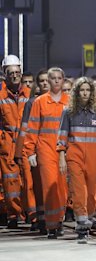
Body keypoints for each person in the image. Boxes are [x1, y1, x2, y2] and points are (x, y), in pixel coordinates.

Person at [57, 77, 96, 243]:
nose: (85, 93)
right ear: (77, 92)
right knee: (79, 190)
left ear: (92, 93)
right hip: (74, 157)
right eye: (82, 90)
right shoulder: (68, 112)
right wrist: (62, 158)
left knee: (92, 192)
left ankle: (88, 217)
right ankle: (81, 223)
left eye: (88, 90)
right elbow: (62, 137)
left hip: (93, 158)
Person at [24, 67, 70, 239]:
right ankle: (52, 224)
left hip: (65, 151)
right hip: (45, 150)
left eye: (59, 78)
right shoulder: (40, 102)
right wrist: (30, 152)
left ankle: (59, 219)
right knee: (50, 186)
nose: (56, 81)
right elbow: (33, 128)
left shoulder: (69, 102)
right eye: (53, 78)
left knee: (63, 187)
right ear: (48, 81)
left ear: (63, 80)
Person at [15, 69, 49, 232]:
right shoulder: (31, 103)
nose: (44, 83)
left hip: (52, 149)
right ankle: (37, 217)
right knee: (33, 183)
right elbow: (25, 129)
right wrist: (21, 152)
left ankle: (53, 217)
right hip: (35, 148)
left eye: (46, 80)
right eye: (41, 80)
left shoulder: (60, 101)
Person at [0, 55, 30, 229]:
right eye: (11, 73)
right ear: (5, 74)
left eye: (17, 72)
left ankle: (29, 213)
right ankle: (13, 215)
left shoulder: (29, 94)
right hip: (8, 143)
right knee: (10, 181)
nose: (14, 76)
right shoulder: (1, 96)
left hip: (26, 142)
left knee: (28, 180)